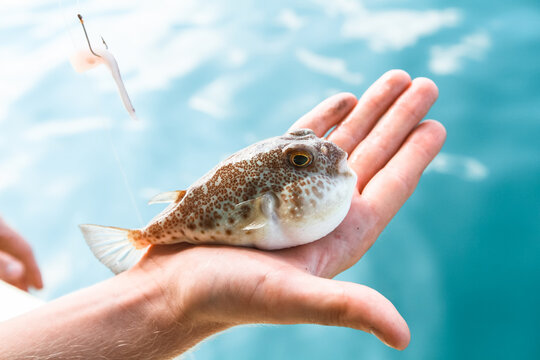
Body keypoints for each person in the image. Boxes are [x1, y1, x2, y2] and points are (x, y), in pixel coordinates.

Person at [0, 70, 445, 359]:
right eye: (301, 160)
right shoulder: (265, 201)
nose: (325, 155)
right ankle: (137, 240)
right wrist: (160, 294)